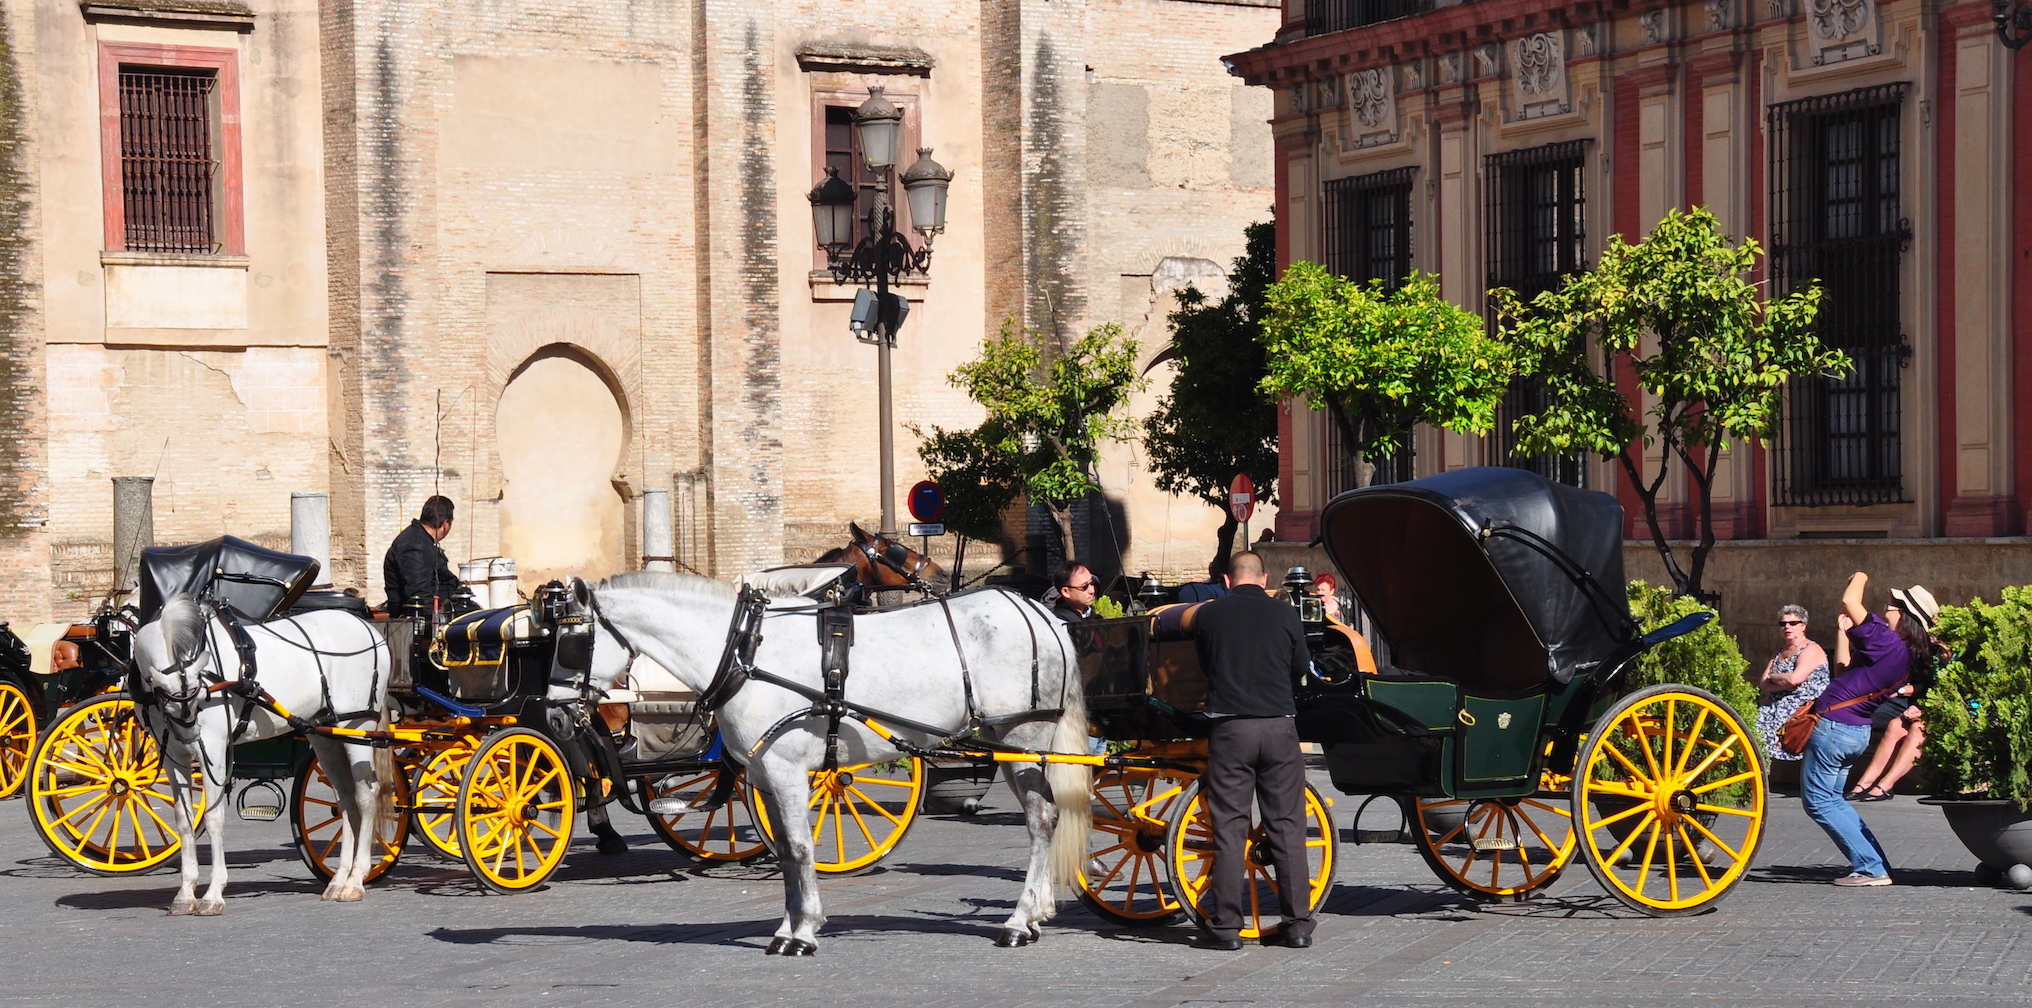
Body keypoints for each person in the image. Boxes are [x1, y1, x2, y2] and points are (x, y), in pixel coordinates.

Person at [1190, 550, 1315, 950]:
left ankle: (1227, 928)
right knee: (1287, 826)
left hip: (1231, 727)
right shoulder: (1285, 614)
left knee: (1229, 827)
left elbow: (1206, 665)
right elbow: (1300, 667)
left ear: (1228, 581)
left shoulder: (1209, 615)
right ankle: (1296, 925)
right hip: (1279, 727)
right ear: (1264, 579)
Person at [1801, 572, 1934, 887]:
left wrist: (1860, 574)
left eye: (1892, 606)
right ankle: (1876, 864)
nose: (1885, 609)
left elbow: (1850, 599)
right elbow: (1842, 671)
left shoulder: (1887, 640)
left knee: (1819, 801)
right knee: (1832, 800)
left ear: (1903, 616)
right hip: (1851, 731)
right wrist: (1842, 632)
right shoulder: (1901, 656)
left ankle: (1872, 867)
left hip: (1835, 729)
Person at [1845, 586, 1941, 802]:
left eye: (1891, 606)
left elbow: (1936, 687)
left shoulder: (1934, 651)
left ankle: (1885, 785)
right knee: (1894, 725)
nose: (1885, 611)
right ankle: (1866, 782)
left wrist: (1911, 697)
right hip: (1910, 703)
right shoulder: (1898, 643)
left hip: (1928, 706)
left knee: (1916, 728)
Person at [1748, 605, 1830, 766]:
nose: (1787, 627)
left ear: (1803, 626)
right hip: (1774, 705)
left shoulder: (1811, 649)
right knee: (1748, 726)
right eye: (1783, 623)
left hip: (1801, 709)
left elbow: (1794, 679)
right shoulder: (1780, 651)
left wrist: (1774, 677)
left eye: (1793, 623)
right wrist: (1780, 681)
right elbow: (1764, 683)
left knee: (1759, 729)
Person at [382, 495, 469, 617]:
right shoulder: (415, 545)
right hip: (420, 626)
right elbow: (418, 593)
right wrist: (435, 623)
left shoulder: (421, 541)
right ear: (446, 523)